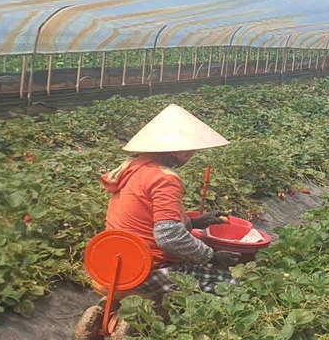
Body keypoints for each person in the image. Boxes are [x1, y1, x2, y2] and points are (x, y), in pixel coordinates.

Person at [98, 103, 243, 294]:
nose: (191, 155)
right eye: (192, 151)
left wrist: (194, 222)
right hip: (150, 269)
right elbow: (169, 238)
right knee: (232, 287)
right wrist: (212, 257)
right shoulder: (163, 179)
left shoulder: (132, 168)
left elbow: (143, 219)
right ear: (180, 151)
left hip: (117, 262)